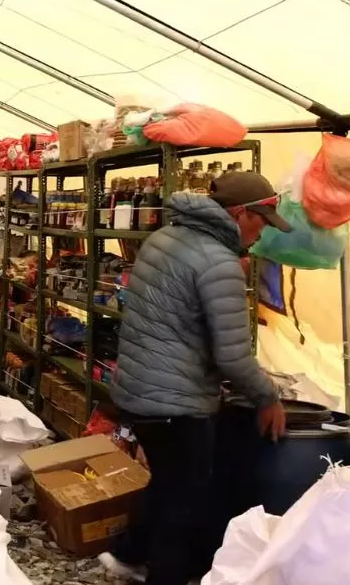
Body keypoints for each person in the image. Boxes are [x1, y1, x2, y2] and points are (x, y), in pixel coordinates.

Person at [98, 171, 289, 585]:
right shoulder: (218, 263)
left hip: (137, 388)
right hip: (174, 402)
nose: (262, 234)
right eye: (262, 222)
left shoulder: (166, 237)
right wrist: (267, 397)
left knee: (168, 481)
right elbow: (233, 356)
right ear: (241, 214)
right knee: (187, 500)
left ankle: (126, 555)